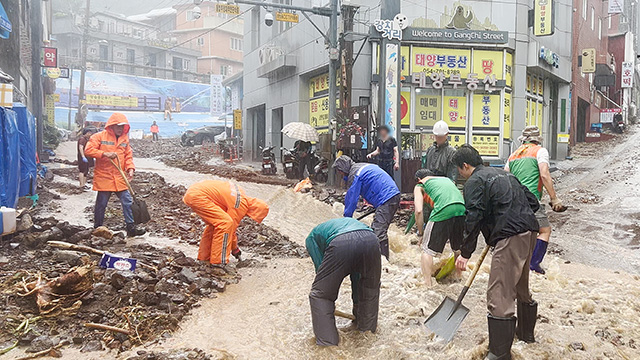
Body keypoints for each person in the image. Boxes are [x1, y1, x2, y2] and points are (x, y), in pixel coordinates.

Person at [452, 145, 541, 359]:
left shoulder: (474, 181)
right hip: (529, 231)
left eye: (459, 170)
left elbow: (473, 216)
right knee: (520, 284)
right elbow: (533, 203)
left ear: (465, 166)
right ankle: (526, 336)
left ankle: (499, 354)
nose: (459, 174)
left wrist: (465, 252)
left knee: (498, 293)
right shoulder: (505, 174)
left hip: (509, 235)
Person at [306, 218, 381, 346]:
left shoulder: (311, 239)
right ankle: (366, 336)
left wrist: (328, 305)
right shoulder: (345, 225)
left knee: (320, 296)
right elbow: (357, 277)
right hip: (372, 240)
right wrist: (358, 304)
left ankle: (328, 347)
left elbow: (322, 274)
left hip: (341, 242)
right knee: (369, 289)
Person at [505, 126, 563, 275]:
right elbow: (544, 175)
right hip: (531, 200)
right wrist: (554, 198)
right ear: (537, 139)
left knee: (521, 232)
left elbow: (506, 177)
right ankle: (533, 264)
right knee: (544, 230)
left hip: (513, 201)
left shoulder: (513, 155)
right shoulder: (540, 151)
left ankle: (516, 264)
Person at [84, 113, 146, 237]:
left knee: (128, 202)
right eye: (117, 126)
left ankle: (131, 228)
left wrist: (130, 169)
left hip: (119, 177)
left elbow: (128, 156)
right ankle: (98, 228)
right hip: (104, 176)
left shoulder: (124, 139)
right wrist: (104, 154)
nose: (120, 128)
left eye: (122, 126)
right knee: (101, 204)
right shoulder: (99, 136)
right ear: (111, 126)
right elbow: (88, 150)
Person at [183, 180, 269, 265]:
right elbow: (231, 231)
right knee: (226, 224)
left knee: (215, 225)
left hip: (194, 192)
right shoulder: (240, 204)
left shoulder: (239, 193)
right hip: (199, 197)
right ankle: (219, 261)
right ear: (254, 211)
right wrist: (235, 249)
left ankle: (204, 259)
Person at [332, 155, 400, 260]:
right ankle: (382, 260)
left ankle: (383, 263)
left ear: (343, 169)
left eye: (339, 171)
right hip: (392, 195)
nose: (339, 174)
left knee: (378, 231)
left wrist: (346, 219)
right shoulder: (361, 166)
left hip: (386, 198)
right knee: (379, 229)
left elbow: (352, 199)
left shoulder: (355, 174)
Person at [413, 169, 465, 286]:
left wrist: (421, 233)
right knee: (457, 248)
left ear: (418, 179)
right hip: (461, 209)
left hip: (443, 210)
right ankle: (459, 279)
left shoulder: (420, 185)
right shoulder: (446, 180)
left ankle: (427, 284)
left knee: (427, 250)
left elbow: (419, 211)